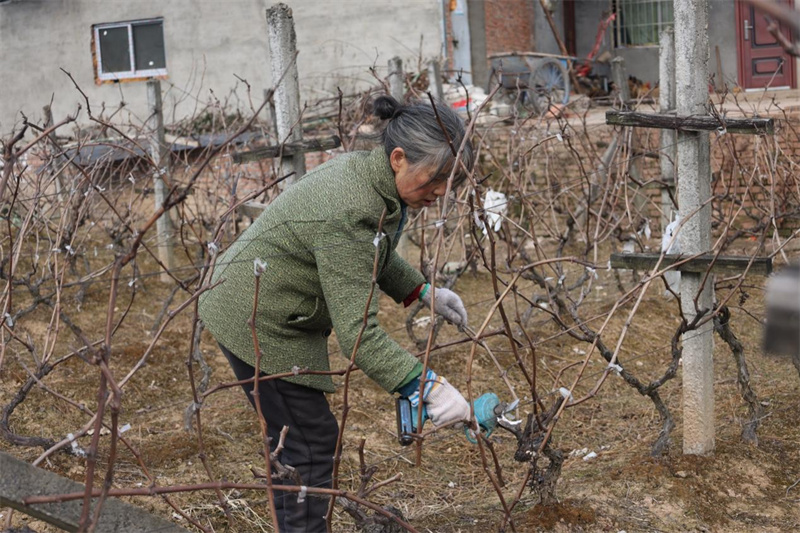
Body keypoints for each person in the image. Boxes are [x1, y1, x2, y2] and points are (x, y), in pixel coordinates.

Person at [198, 95, 474, 533]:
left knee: (296, 442)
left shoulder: (371, 176)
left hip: (262, 301)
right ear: (399, 158)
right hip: (259, 319)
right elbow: (359, 335)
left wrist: (422, 290)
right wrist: (427, 388)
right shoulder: (351, 206)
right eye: (436, 178)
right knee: (309, 443)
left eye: (451, 181)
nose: (441, 191)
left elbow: (372, 250)